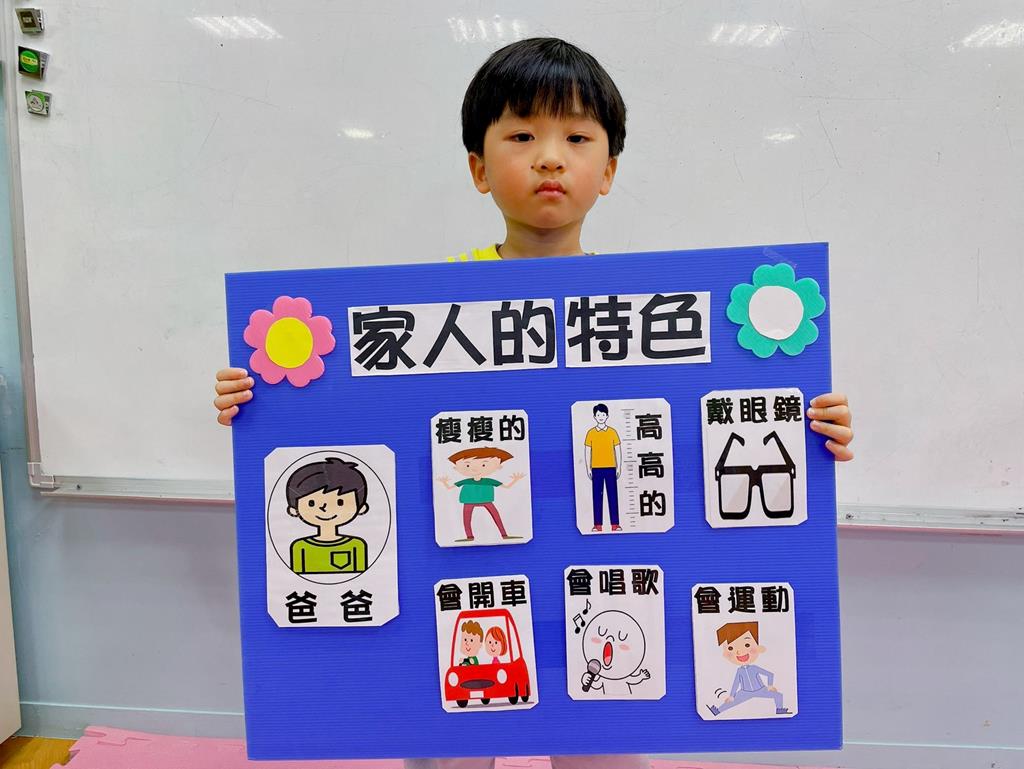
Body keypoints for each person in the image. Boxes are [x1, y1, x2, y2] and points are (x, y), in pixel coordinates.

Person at [213, 36, 854, 769]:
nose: (550, 157)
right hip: (457, 571)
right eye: (522, 136)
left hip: (607, 568)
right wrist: (259, 404)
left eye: (576, 138)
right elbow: (357, 423)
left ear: (607, 170)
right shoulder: (424, 303)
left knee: (605, 740)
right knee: (448, 742)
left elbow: (709, 423)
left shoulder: (648, 309)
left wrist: (815, 426)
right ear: (479, 169)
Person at [437, 447, 525, 541]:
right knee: (466, 519)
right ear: (456, 468)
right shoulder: (466, 481)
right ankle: (469, 536)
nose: (475, 469)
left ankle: (504, 535)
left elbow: (507, 487)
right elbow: (449, 488)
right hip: (469, 501)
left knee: (496, 516)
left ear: (498, 466)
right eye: (467, 465)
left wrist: (515, 480)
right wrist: (444, 482)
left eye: (483, 464)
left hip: (486, 500)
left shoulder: (489, 481)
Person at [707, 622, 789, 716]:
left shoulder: (754, 668)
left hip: (760, 690)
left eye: (747, 645)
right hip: (745, 692)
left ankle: (779, 709)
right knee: (732, 701)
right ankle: (717, 711)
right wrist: (732, 696)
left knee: (778, 695)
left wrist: (770, 685)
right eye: (731, 648)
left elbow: (770, 674)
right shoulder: (739, 671)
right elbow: (736, 683)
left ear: (759, 648)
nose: (739, 652)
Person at [584, 403, 621, 532]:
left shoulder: (612, 432)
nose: (601, 417)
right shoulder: (591, 433)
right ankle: (597, 525)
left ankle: (615, 524)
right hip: (596, 468)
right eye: (598, 415)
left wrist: (619, 467)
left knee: (613, 496)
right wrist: (588, 468)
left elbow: (618, 450)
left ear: (607, 416)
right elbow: (587, 451)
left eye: (603, 414)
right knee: (597, 496)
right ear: (594, 416)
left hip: (611, 467)